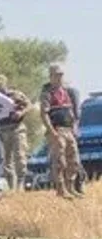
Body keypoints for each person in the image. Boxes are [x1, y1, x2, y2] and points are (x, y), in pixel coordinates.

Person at [40, 64, 84, 199]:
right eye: (56, 75)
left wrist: (75, 127)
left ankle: (71, 187)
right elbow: (44, 114)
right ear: (51, 76)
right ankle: (61, 189)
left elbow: (73, 112)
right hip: (57, 130)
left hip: (69, 130)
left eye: (61, 75)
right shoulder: (47, 93)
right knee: (60, 161)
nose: (59, 78)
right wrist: (51, 131)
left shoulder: (67, 92)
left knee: (74, 160)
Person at [0, 75, 31, 191]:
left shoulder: (15, 94)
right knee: (6, 160)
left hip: (17, 128)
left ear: (5, 83)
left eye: (0, 84)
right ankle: (12, 186)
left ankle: (20, 183)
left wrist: (21, 112)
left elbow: (29, 105)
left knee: (20, 156)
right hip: (3, 130)